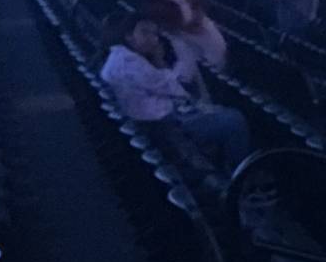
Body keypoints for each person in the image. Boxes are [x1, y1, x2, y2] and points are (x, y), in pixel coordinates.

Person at [101, 9, 252, 177]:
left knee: (216, 112)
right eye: (144, 32)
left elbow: (163, 85)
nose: (152, 38)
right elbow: (178, 85)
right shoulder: (131, 63)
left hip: (153, 123)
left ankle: (221, 168)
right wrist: (173, 53)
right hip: (164, 129)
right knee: (234, 119)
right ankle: (240, 178)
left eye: (154, 34)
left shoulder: (119, 57)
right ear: (129, 35)